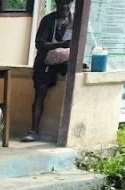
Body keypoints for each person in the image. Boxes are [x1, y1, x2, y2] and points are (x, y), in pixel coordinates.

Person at [22, 0, 74, 142]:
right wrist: (61, 45)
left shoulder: (73, 22)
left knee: (75, 83)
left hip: (64, 61)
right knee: (40, 92)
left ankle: (68, 132)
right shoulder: (49, 20)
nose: (64, 7)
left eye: (66, 5)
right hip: (45, 61)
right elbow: (40, 44)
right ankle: (34, 131)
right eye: (61, 4)